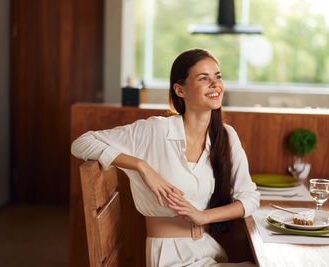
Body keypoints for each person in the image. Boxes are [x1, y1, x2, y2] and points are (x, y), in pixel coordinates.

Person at [71, 48, 260, 266]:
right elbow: (81, 143)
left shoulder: (226, 136)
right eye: (203, 78)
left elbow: (250, 198)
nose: (215, 84)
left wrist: (204, 216)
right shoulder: (154, 131)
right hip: (170, 257)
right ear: (180, 90)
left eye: (217, 77)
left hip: (207, 249)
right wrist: (141, 166)